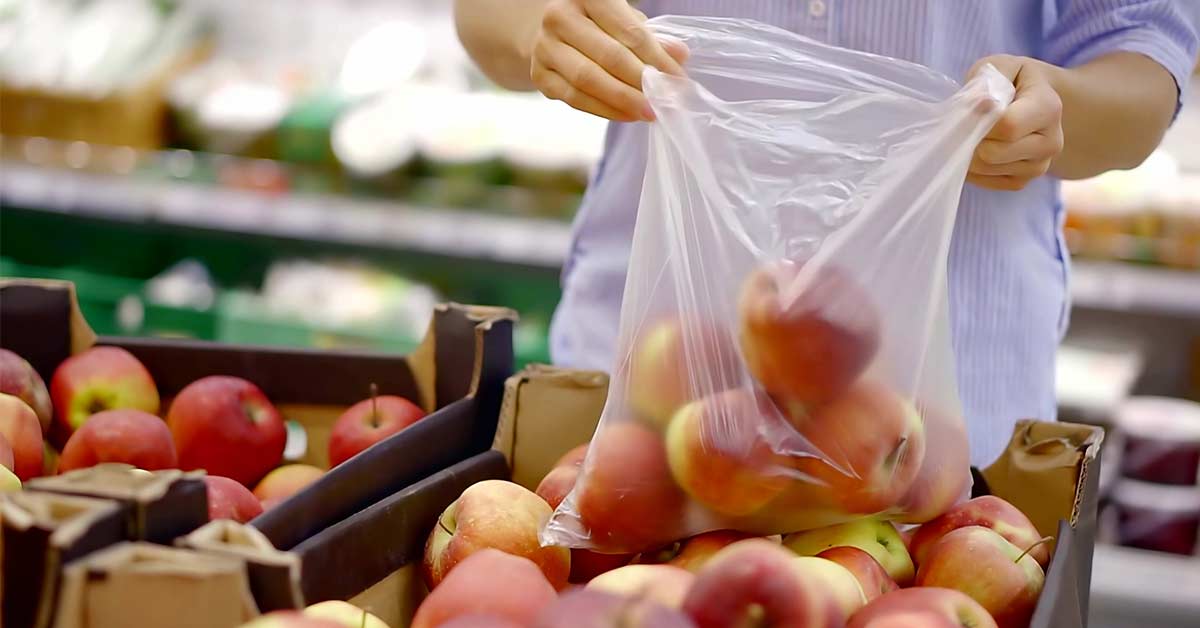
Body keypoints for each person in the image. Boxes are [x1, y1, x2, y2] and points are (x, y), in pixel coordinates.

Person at [454, 0, 1197, 465]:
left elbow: (1145, 55)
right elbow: (487, 15)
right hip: (640, 383)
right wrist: (539, 31)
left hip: (942, 412)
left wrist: (1060, 109)